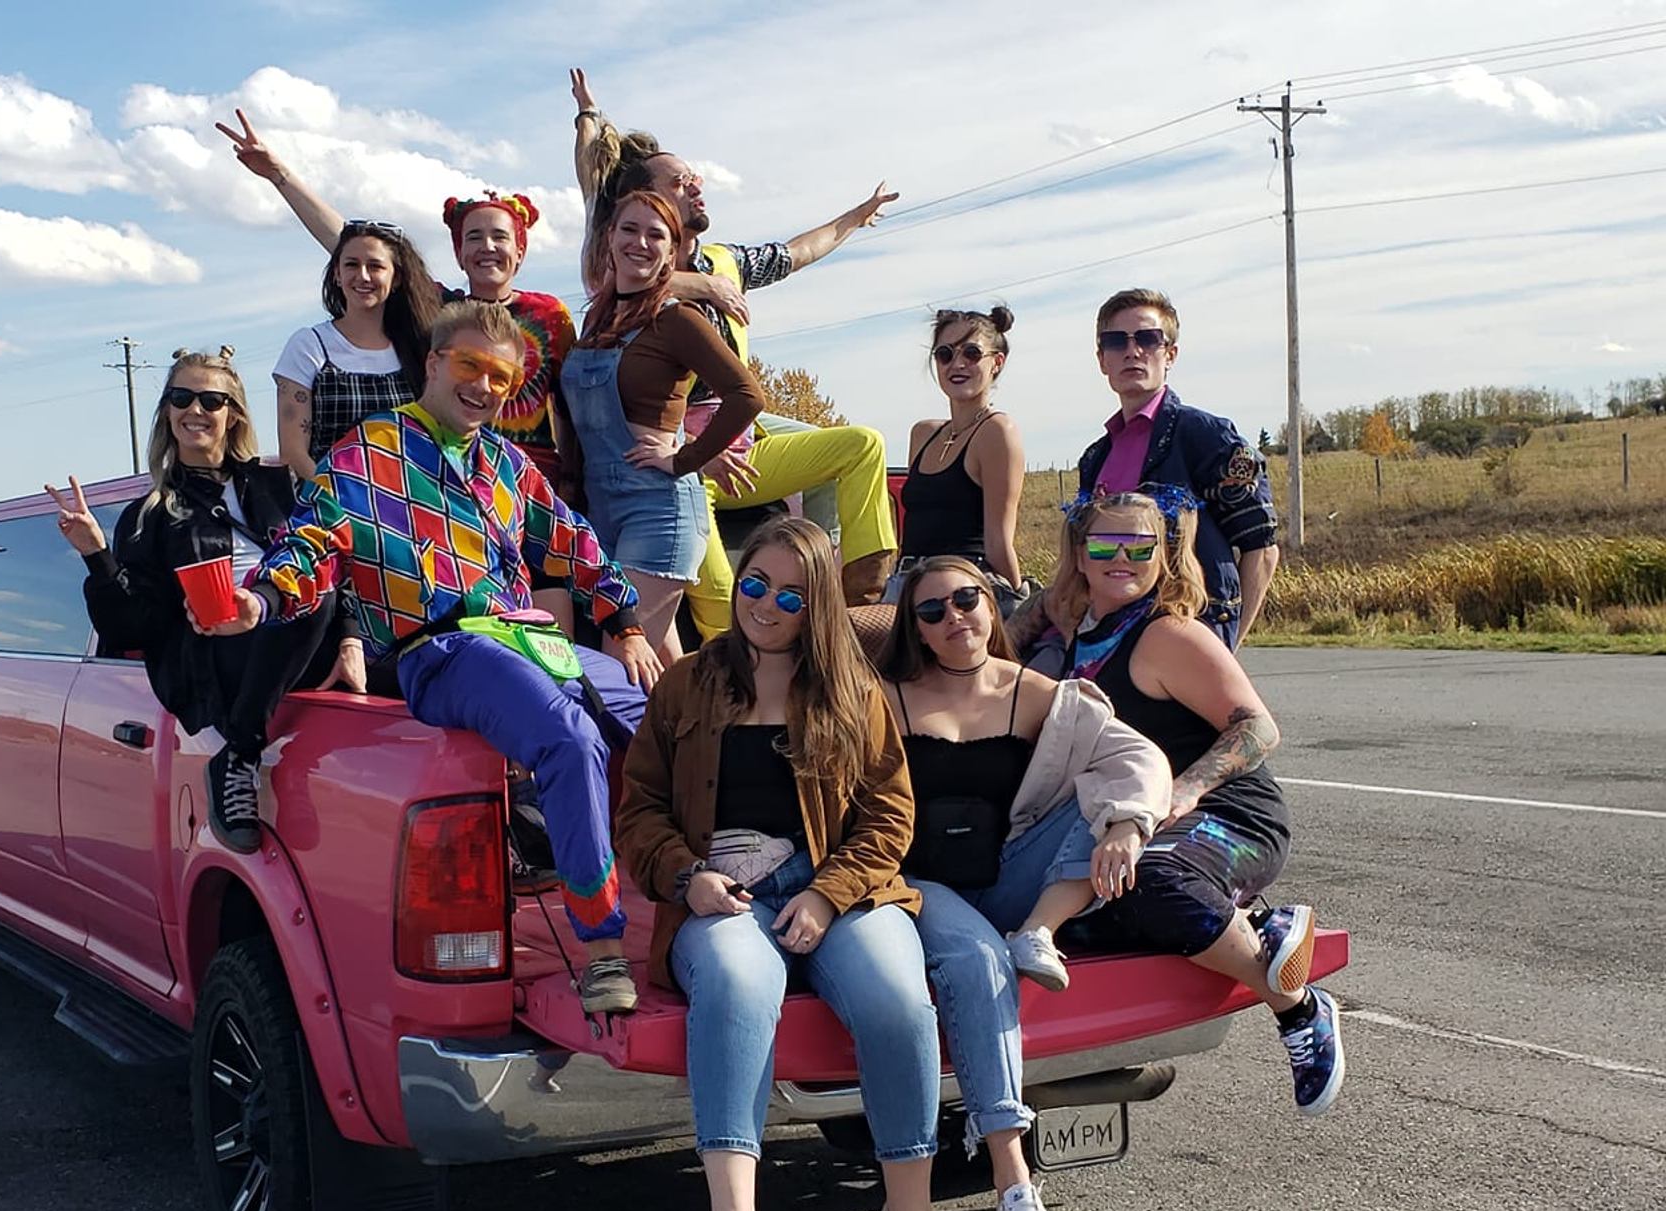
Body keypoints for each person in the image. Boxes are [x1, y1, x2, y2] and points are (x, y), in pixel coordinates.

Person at [247, 299, 662, 1015]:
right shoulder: (366, 453)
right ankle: (601, 948)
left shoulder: (506, 462)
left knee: (668, 720)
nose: (485, 387)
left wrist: (623, 622)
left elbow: (573, 539)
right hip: (441, 648)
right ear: (435, 363)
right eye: (470, 366)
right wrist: (259, 600)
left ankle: (698, 905)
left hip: (533, 641)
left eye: (502, 377)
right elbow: (308, 543)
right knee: (568, 735)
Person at [615, 516, 952, 1211]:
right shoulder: (686, 682)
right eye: (754, 585)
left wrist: (829, 893)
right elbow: (640, 811)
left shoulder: (849, 689)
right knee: (736, 979)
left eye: (789, 594)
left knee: (899, 999)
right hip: (717, 887)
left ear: (818, 607)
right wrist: (686, 877)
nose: (765, 604)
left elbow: (889, 814)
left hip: (833, 886)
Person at [878, 555, 1170, 1211]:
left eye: (967, 599)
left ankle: (1042, 929)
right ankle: (1014, 1180)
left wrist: (1130, 824)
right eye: (932, 610)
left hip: (1010, 876)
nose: (954, 618)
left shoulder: (1039, 694)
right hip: (920, 886)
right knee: (978, 961)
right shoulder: (883, 698)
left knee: (1103, 794)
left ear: (990, 605)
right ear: (915, 629)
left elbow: (1139, 759)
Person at [1049, 489, 1343, 1115]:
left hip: (1230, 815)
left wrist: (1186, 788)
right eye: (1103, 543)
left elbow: (1259, 729)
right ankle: (1263, 927)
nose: (1119, 558)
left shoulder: (1168, 634)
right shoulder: (1083, 632)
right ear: (1079, 553)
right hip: (1142, 817)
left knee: (1150, 880)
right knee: (1082, 909)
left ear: (1165, 556)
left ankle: (1297, 1006)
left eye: (1139, 545)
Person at [571, 69, 902, 625]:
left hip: (739, 431)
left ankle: (853, 601)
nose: (695, 187)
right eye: (680, 183)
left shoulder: (727, 262)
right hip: (676, 456)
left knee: (856, 446)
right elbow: (596, 196)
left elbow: (798, 251)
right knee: (721, 605)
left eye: (695, 178)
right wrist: (587, 118)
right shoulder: (623, 269)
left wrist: (853, 218)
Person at [47, 348, 358, 854]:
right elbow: (130, 626)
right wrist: (97, 555)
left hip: (299, 640)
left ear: (232, 413)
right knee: (300, 598)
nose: (196, 410)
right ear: (167, 412)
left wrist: (351, 642)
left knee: (323, 601)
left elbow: (335, 566)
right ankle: (240, 750)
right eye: (182, 397)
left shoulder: (282, 486)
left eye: (211, 399)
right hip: (215, 660)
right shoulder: (148, 514)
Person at [216, 113, 576, 490]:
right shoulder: (441, 311)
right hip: (457, 481)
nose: (487, 247)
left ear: (519, 249)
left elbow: (571, 410)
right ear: (458, 251)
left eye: (499, 237)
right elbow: (356, 244)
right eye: (473, 237)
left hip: (537, 480)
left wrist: (572, 480)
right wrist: (280, 176)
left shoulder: (549, 316)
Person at [561, 189, 764, 661]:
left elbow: (747, 396)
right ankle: (708, 733)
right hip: (601, 510)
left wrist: (685, 459)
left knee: (619, 661)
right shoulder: (596, 318)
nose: (641, 243)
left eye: (657, 235)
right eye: (629, 229)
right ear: (609, 238)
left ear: (672, 253)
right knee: (663, 670)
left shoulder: (677, 320)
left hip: (658, 510)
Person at [1077, 288, 1280, 648]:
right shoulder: (1095, 458)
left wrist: (1226, 648)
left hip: (1187, 638)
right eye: (1115, 341)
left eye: (1147, 338)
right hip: (1113, 644)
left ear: (1170, 354)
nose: (1132, 350)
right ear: (1101, 360)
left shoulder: (1206, 438)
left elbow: (1261, 548)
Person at [269, 215, 442, 484]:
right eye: (351, 265)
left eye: (375, 266)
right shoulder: (309, 345)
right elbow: (293, 453)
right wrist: (345, 500)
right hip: (329, 507)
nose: (363, 276)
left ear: (395, 278)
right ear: (337, 274)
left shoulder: (419, 347)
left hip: (407, 508)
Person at [898, 307, 1027, 604]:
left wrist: (1019, 603)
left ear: (996, 362)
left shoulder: (997, 431)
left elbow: (998, 542)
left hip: (963, 590)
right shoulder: (923, 434)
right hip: (906, 584)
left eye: (971, 353)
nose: (957, 364)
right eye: (945, 354)